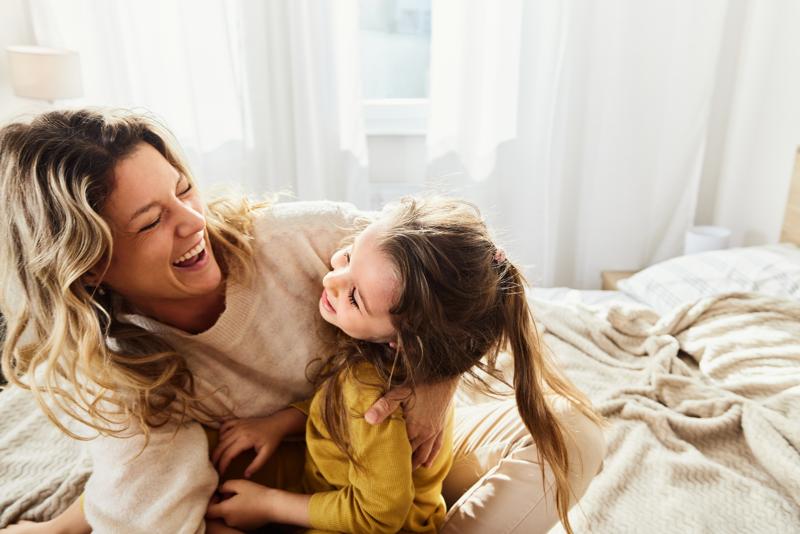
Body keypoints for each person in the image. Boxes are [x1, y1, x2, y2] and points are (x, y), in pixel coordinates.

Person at [0, 109, 605, 534]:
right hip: (302, 479)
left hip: (393, 454)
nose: (193, 223)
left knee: (571, 434)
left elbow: (464, 275)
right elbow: (146, 495)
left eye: (185, 189)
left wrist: (435, 380)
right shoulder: (122, 369)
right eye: (151, 221)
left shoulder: (305, 238)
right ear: (88, 266)